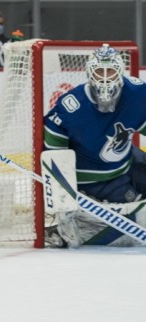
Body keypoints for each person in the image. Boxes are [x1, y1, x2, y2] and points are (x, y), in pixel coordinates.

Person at [43, 44, 146, 246]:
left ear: (120, 73)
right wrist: (64, 197)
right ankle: (83, 228)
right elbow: (53, 155)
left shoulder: (137, 94)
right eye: (100, 71)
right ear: (90, 73)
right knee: (134, 224)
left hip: (127, 161)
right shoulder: (70, 107)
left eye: (111, 71)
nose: (105, 78)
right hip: (96, 180)